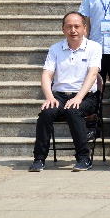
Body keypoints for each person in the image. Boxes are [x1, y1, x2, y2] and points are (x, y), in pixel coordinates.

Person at [30, 12, 102, 172]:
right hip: (60, 96)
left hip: (86, 96)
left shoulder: (94, 47)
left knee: (73, 111)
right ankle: (39, 159)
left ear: (84, 28)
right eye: (69, 27)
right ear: (63, 29)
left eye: (77, 26)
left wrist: (78, 97)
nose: (73, 30)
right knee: (46, 113)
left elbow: (92, 74)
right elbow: (46, 75)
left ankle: (83, 158)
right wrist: (49, 97)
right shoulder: (55, 48)